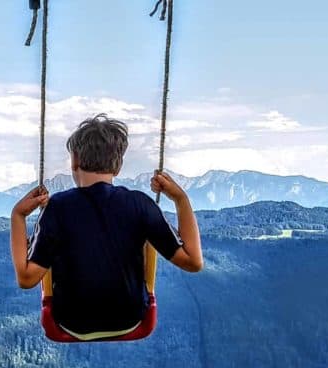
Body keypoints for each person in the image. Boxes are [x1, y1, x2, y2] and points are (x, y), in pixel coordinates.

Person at [10, 113, 203, 339]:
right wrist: (181, 199)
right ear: (118, 166)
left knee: (51, 246)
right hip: (131, 318)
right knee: (147, 241)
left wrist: (18, 215)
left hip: (72, 321)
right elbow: (194, 262)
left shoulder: (58, 207)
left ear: (74, 160)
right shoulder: (140, 204)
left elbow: (26, 279)